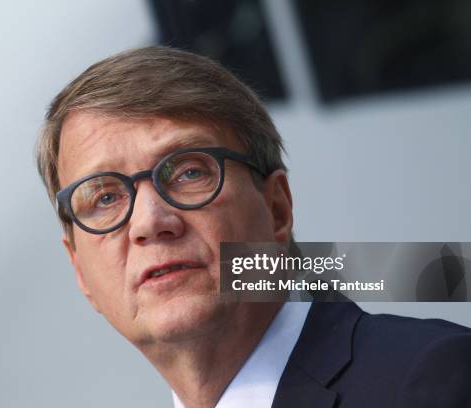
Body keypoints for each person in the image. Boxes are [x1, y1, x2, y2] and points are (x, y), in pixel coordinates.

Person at [36, 46, 471, 408]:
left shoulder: (429, 380)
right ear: (79, 270)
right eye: (105, 197)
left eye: (189, 173)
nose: (150, 222)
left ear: (277, 208)